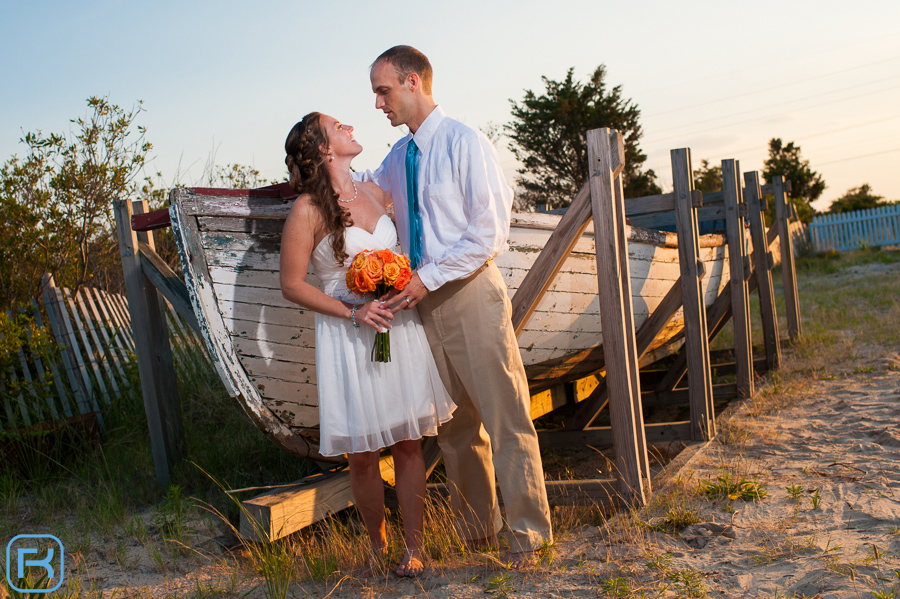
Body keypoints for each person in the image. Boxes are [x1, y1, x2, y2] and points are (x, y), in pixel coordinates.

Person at [358, 45, 552, 568]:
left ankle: (529, 535)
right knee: (457, 427)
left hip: (469, 294)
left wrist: (428, 278)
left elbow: (489, 230)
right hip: (422, 307)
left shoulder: (466, 143)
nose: (379, 104)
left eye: (384, 90)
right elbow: (360, 194)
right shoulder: (398, 157)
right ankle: (477, 536)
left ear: (414, 81)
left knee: (505, 414)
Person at [280, 112, 455, 577]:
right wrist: (353, 311)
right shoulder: (307, 211)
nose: (351, 127)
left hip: (399, 327)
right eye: (339, 127)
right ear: (322, 148)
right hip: (349, 334)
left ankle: (414, 546)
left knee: (408, 443)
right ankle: (377, 547)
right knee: (362, 453)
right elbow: (292, 284)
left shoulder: (377, 192)